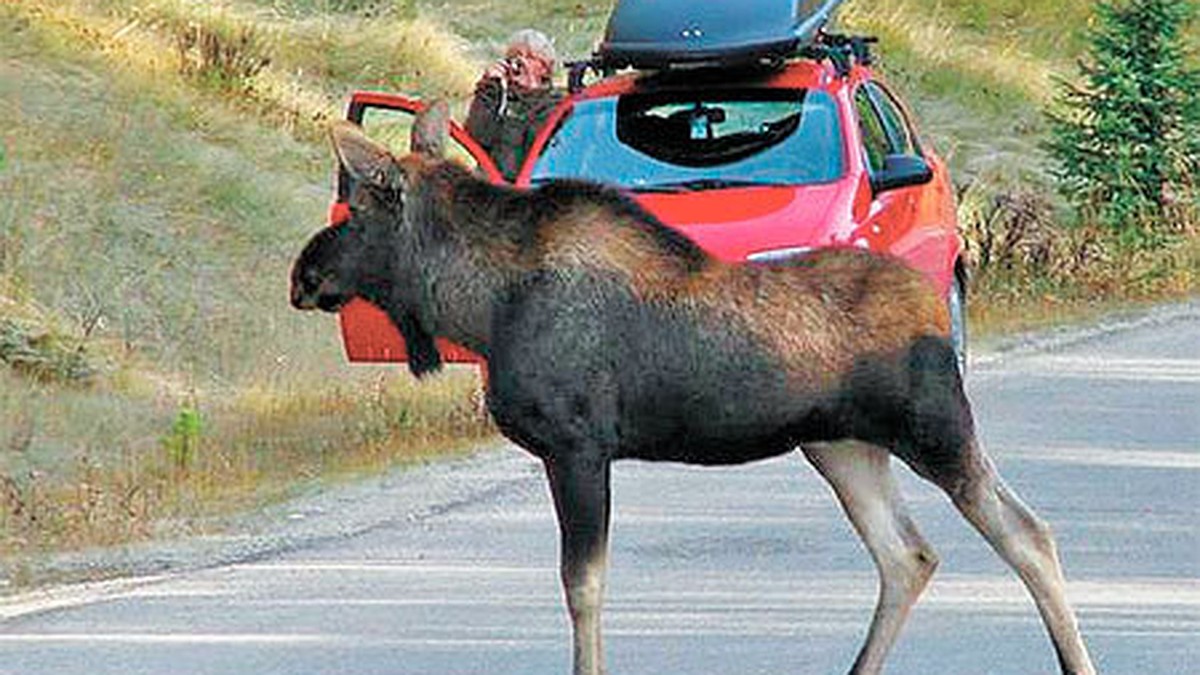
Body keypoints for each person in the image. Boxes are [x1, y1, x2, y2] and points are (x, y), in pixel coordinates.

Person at [465, 29, 564, 181]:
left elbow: (536, 147)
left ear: (545, 68)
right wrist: (488, 89)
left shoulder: (557, 105)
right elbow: (475, 138)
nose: (519, 62)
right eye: (514, 56)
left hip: (529, 192)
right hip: (491, 188)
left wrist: (530, 90)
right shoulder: (497, 98)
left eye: (528, 57)